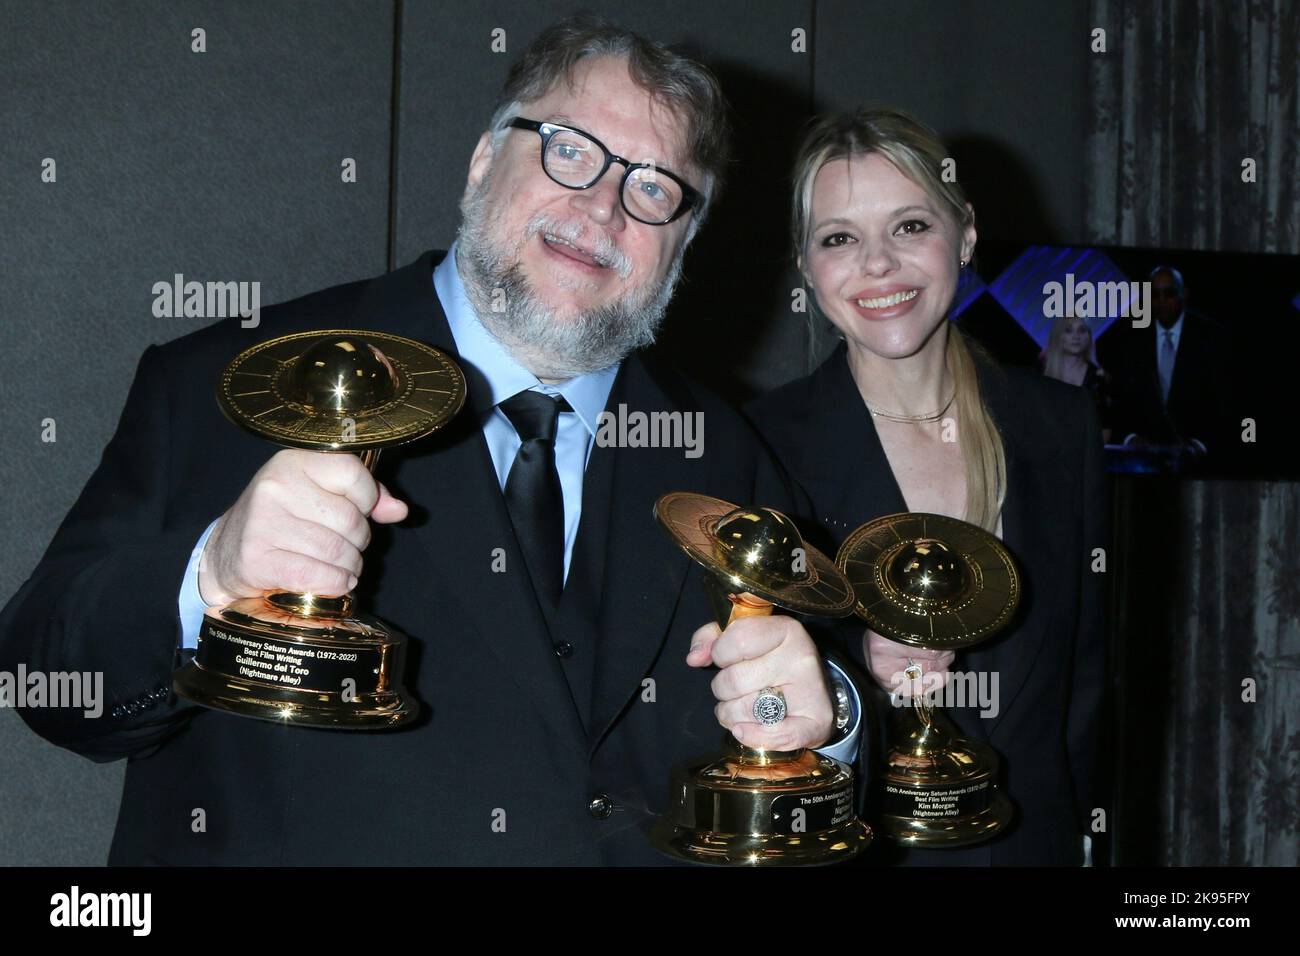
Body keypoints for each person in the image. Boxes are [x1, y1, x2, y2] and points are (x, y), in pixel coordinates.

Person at [0, 16, 863, 865]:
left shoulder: (720, 449)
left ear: (683, 241)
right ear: (485, 160)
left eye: (652, 188)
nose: (602, 205)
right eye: (568, 149)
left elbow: (798, 687)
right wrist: (209, 577)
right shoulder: (237, 376)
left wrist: (825, 710)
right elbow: (47, 680)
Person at [746, 108, 1108, 865]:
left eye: (910, 226)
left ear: (966, 233)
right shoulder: (755, 448)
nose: (877, 265)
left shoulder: (1063, 426)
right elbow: (731, 720)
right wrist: (850, 687)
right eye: (839, 238)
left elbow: (1086, 684)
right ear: (807, 267)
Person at [1100, 265, 1232, 461]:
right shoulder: (1131, 339)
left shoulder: (1212, 337)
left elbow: (1224, 402)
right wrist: (1131, 439)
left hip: (1200, 462)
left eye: (1169, 293)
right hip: (1143, 462)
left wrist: (1197, 445)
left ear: (1184, 294)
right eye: (1155, 294)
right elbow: (1121, 402)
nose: (1161, 301)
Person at [1040, 314, 1113, 442]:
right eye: (1068, 330)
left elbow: (1105, 427)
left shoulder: (1097, 379)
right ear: (1058, 336)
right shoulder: (1042, 374)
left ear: (1089, 337)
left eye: (1082, 330)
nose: (1076, 337)